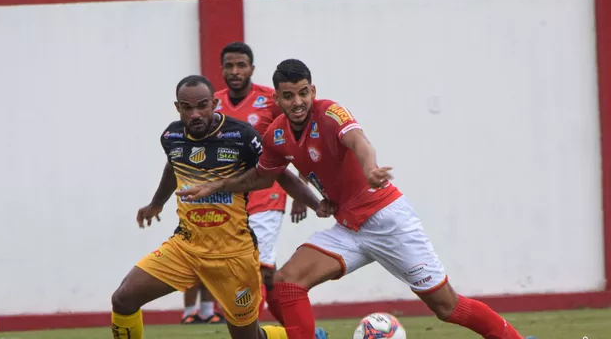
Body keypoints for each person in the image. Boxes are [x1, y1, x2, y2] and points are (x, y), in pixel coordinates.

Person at [176, 60, 527, 339]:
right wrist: (216, 185)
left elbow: (359, 141)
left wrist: (370, 168)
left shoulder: (330, 113)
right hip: (348, 228)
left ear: (312, 90)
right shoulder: (277, 134)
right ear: (277, 99)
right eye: (288, 95)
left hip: (388, 220)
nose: (297, 102)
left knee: (446, 306)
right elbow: (263, 176)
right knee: (287, 282)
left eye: (302, 93)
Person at [110, 74, 330, 339]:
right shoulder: (172, 136)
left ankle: (289, 336)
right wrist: (157, 203)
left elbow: (281, 175)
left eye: (202, 105)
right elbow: (173, 166)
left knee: (249, 337)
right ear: (177, 107)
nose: (195, 114)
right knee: (123, 299)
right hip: (185, 247)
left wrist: (316, 204)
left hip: (233, 256)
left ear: (214, 103)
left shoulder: (241, 136)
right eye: (187, 107)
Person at [181, 42, 309, 325]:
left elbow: (294, 140)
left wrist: (302, 192)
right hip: (231, 197)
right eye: (229, 65)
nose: (235, 71)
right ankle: (295, 329)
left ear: (252, 68)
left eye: (241, 65)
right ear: (222, 69)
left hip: (268, 192)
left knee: (257, 269)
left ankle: (244, 327)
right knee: (266, 272)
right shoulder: (210, 103)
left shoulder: (271, 100)